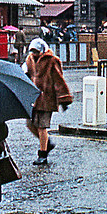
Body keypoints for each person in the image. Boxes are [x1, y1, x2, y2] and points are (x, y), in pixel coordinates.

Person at [24, 38, 73, 166]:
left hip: (46, 98)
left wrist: (64, 99)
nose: (34, 54)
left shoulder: (52, 60)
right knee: (30, 124)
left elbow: (58, 80)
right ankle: (47, 143)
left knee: (42, 127)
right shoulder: (29, 60)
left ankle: (43, 154)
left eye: (36, 51)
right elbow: (26, 75)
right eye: (32, 51)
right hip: (33, 98)